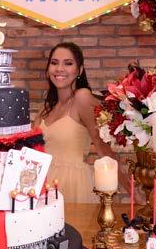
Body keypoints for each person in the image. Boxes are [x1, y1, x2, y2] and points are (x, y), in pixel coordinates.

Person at [38, 42, 129, 203]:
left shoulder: (82, 97)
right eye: (54, 63)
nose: (59, 68)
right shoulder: (45, 109)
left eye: (68, 63)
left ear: (79, 70)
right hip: (42, 185)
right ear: (48, 69)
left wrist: (133, 191)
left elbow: (102, 148)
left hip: (72, 185)